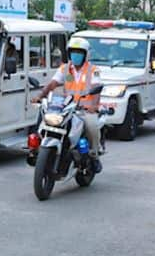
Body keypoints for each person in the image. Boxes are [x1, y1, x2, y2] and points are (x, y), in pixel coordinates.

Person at [31, 37, 104, 172]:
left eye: (79, 52)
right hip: (67, 106)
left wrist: (93, 106)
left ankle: (94, 155)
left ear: (86, 54)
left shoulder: (93, 70)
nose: (76, 55)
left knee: (92, 126)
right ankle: (35, 148)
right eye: (73, 52)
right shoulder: (65, 69)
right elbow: (52, 84)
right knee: (43, 116)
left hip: (84, 109)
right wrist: (40, 97)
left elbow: (96, 88)